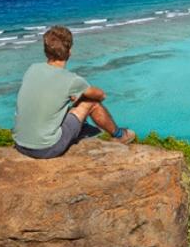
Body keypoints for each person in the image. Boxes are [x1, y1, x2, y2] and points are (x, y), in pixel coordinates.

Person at [13, 25, 135, 158]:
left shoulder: (32, 69)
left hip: (20, 143)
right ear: (70, 51)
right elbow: (100, 95)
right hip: (46, 148)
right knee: (91, 102)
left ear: (46, 51)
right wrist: (80, 96)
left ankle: (81, 128)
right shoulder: (71, 80)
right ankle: (120, 135)